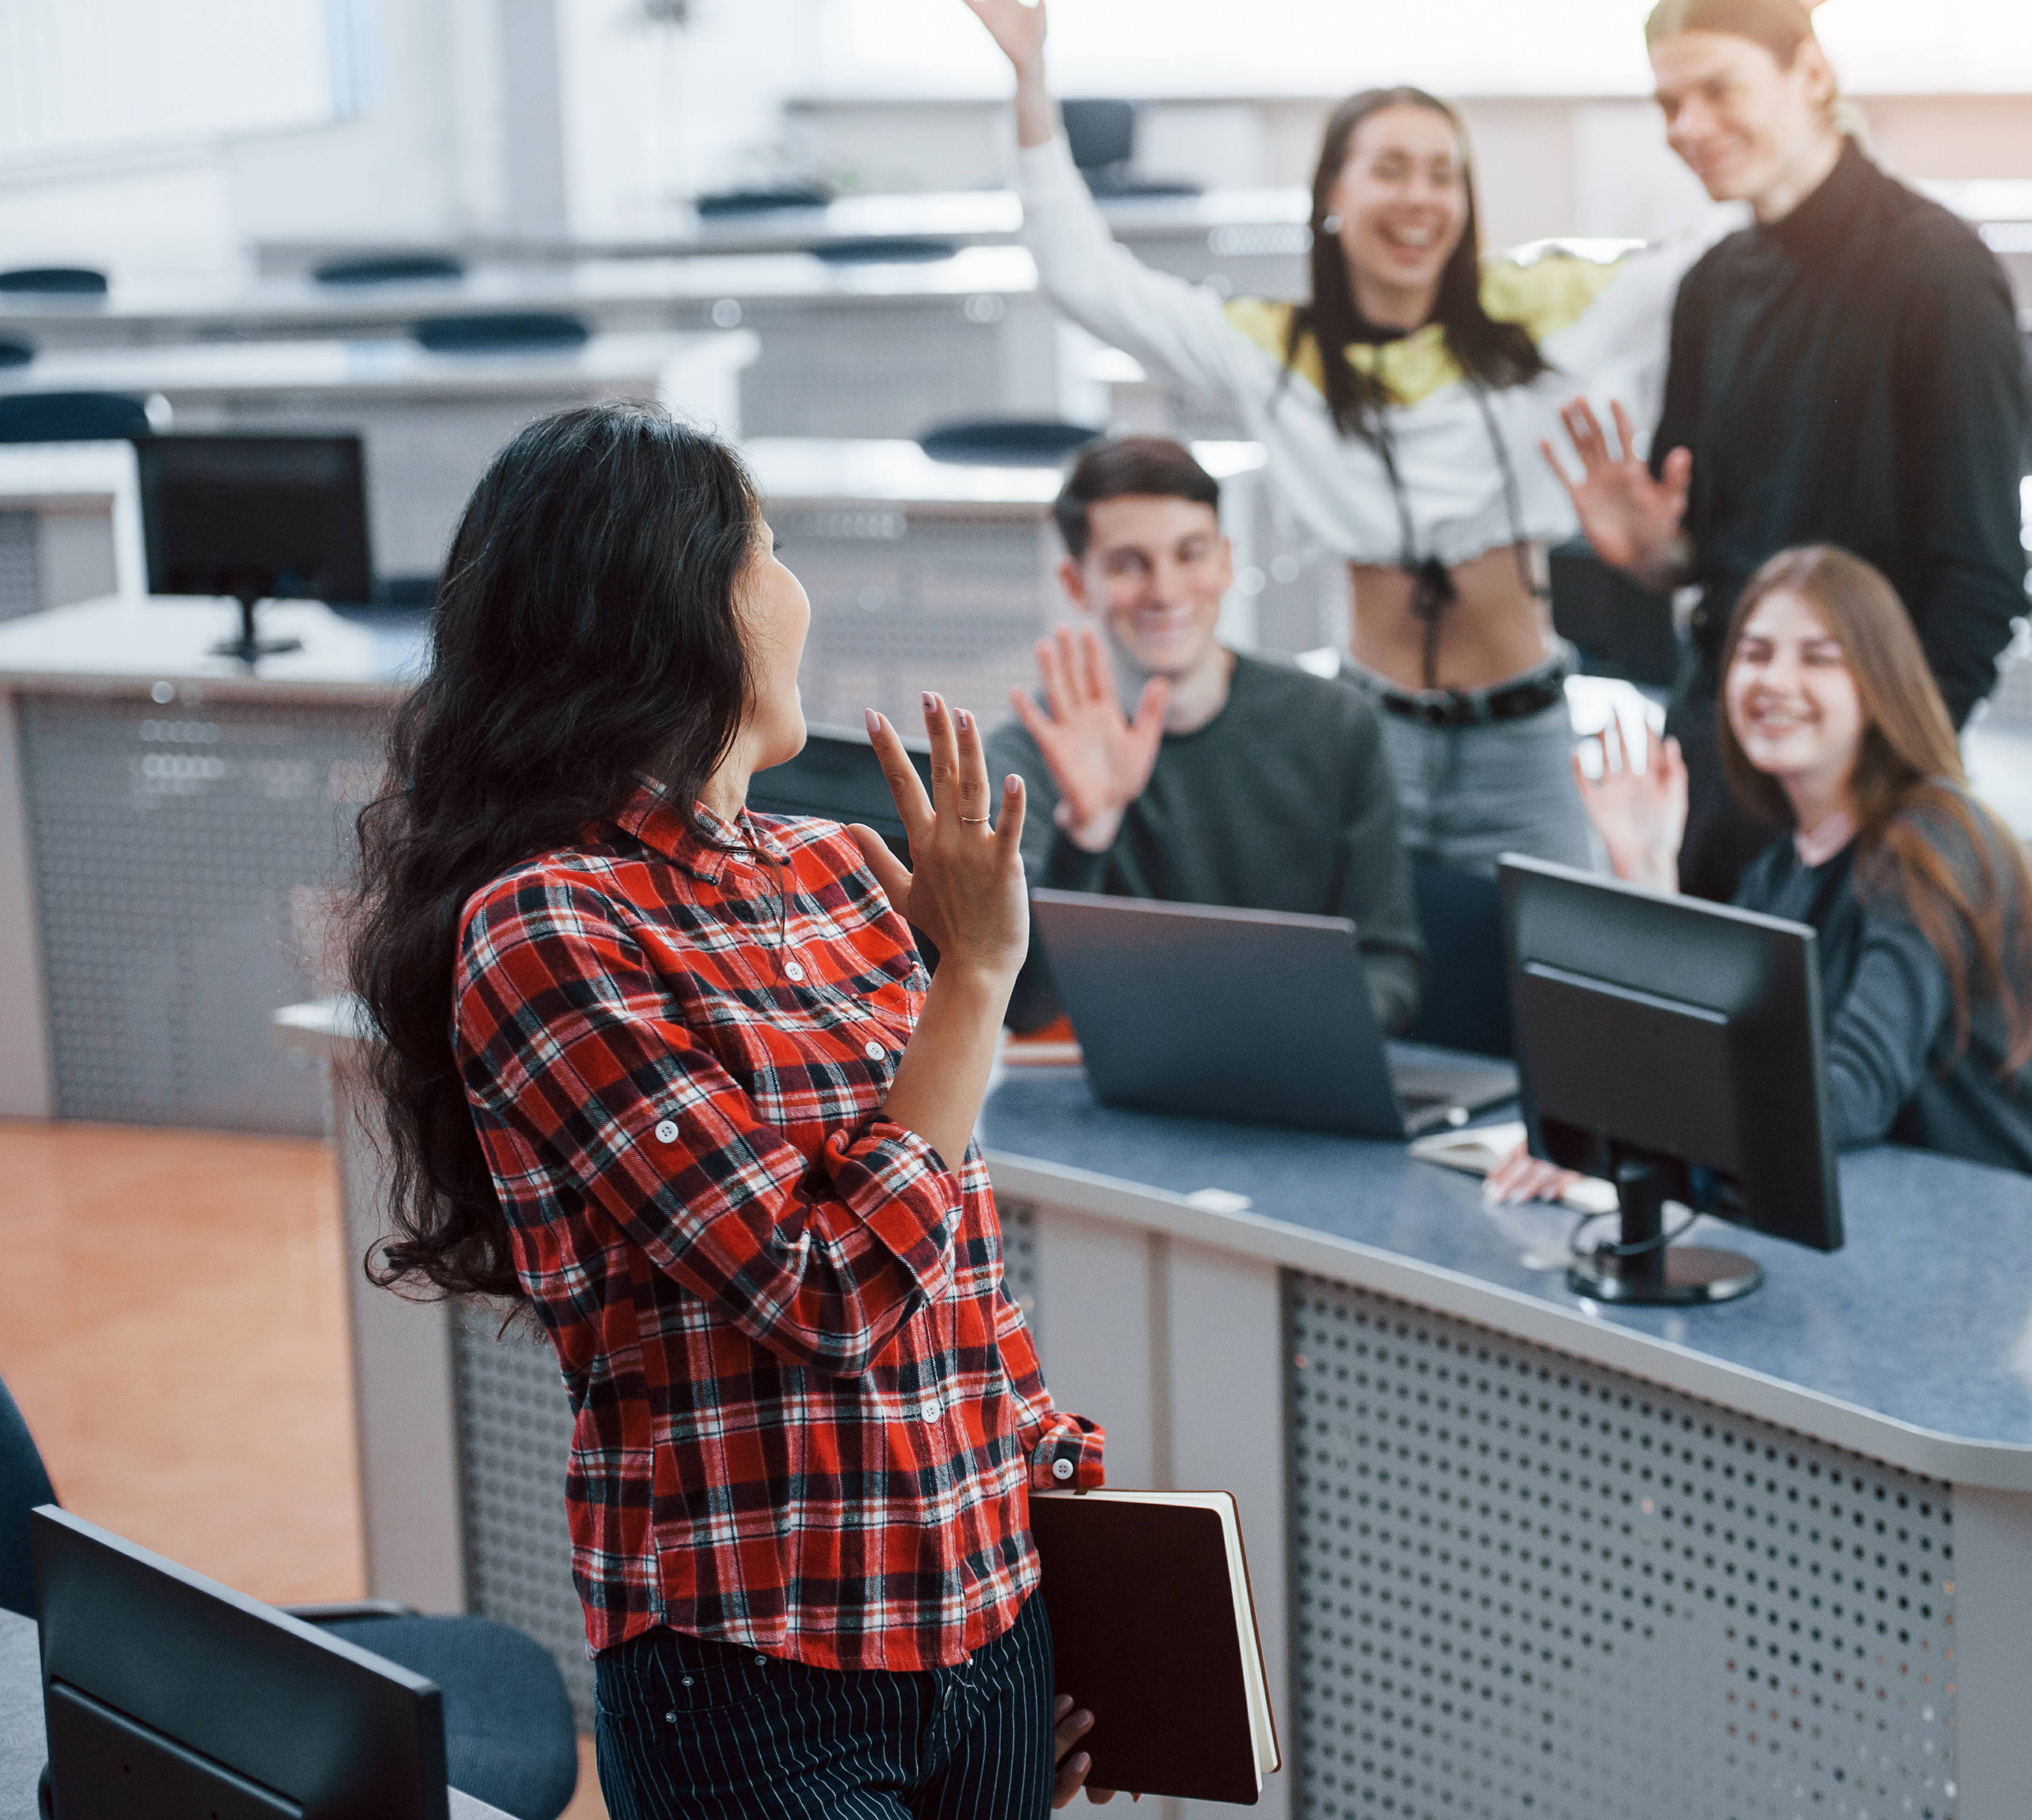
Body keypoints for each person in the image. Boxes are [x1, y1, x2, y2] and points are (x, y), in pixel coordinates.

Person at [344, 400, 1120, 1818]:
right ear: (669, 610)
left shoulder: (837, 869)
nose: (795, 590)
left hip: (988, 1627)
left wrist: (1058, 1518)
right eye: (764, 550)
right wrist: (975, 977)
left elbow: (954, 1264)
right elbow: (823, 1291)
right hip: (756, 1671)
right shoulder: (547, 929)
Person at [962, 0, 1739, 877]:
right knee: (1369, 983)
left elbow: (1725, 245)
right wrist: (1031, 81)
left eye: (1444, 175)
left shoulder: (1542, 314)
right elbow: (1084, 279)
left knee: (1545, 989)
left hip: (1524, 741)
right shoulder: (1278, 351)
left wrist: (1786, 95)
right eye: (1392, 170)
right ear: (1334, 192)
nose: (1420, 198)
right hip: (1369, 737)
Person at [1547, 0, 2032, 902]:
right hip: (1719, 744)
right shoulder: (1711, 287)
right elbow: (1715, 560)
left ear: (1811, 74)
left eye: (1719, 89)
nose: (1688, 127)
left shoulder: (1939, 271)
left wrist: (1888, 788)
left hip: (1865, 776)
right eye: (1668, 105)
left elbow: (1983, 578)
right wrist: (1658, 555)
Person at [1493, 545, 2032, 1205]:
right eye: (1754, 654)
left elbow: (1846, 1098)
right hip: (1913, 1210)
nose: (1775, 681)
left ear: (1877, 683)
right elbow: (1710, 1055)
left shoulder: (1932, 842)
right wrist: (1651, 875)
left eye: (1818, 658)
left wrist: (1623, 1137)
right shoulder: (1781, 869)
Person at [987, 436, 1424, 1034]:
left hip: (1298, 1068)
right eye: (1127, 563)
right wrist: (1086, 836)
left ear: (1225, 561)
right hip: (1118, 1100)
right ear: (1074, 582)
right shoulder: (1032, 756)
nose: (1164, 592)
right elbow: (1026, 1006)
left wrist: (1282, 1035)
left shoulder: (1335, 725)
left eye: (1190, 554)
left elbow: (1389, 963)